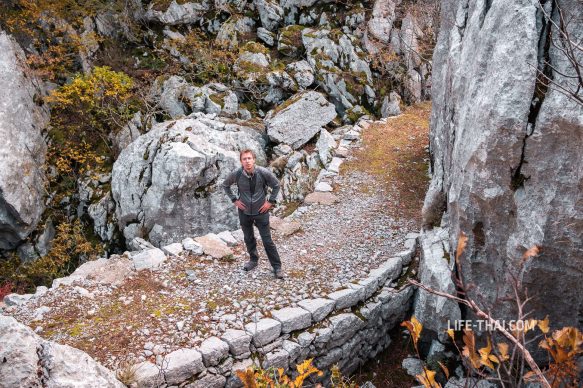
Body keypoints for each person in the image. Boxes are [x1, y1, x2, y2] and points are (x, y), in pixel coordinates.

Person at [222, 149, 284, 279]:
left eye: (249, 158)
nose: (247, 161)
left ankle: (277, 267)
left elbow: (276, 185)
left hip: (261, 211)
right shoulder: (237, 174)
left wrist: (270, 202)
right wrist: (234, 200)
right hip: (244, 212)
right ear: (241, 161)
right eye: (244, 159)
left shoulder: (263, 172)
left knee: (267, 241)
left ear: (254, 160)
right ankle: (253, 260)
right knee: (248, 238)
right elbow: (225, 185)